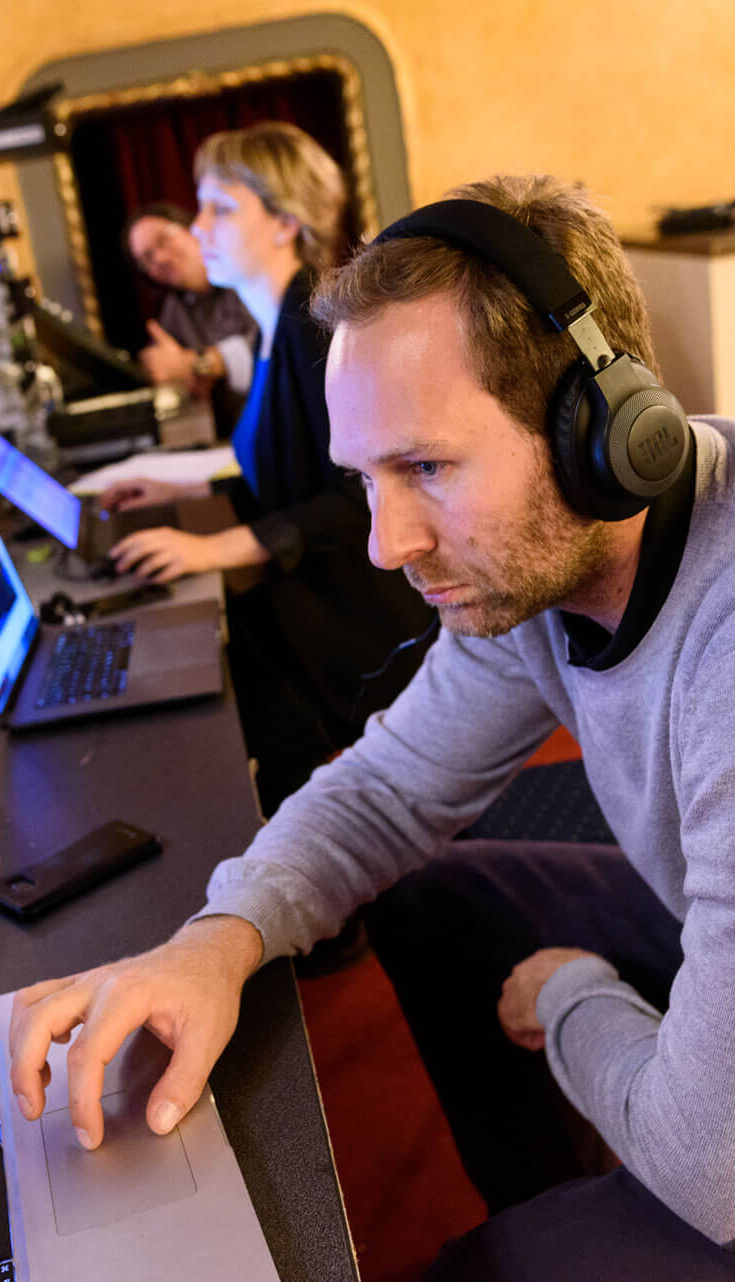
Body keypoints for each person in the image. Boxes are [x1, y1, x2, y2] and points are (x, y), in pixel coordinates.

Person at [8, 175, 735, 1278]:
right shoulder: (540, 566)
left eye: (428, 467)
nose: (385, 542)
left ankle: (600, 1218)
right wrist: (216, 940)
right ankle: (600, 1203)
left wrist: (578, 1001)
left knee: (507, 1269)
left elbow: (733, 1177)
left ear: (602, 431)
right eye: (369, 477)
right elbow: (388, 789)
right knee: (440, 908)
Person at [105, 123, 435, 813]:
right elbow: (286, 458)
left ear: (287, 221)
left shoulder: (314, 328)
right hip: (311, 606)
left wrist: (207, 549)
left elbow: (353, 499)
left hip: (358, 625)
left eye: (220, 209)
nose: (198, 228)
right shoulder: (277, 321)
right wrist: (182, 485)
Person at [122, 202, 259, 435]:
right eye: (147, 258)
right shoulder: (174, 308)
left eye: (163, 240)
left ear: (191, 228)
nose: (160, 259)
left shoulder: (242, 269)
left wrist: (196, 364)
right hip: (238, 433)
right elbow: (170, 368)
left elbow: (272, 348)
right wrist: (171, 375)